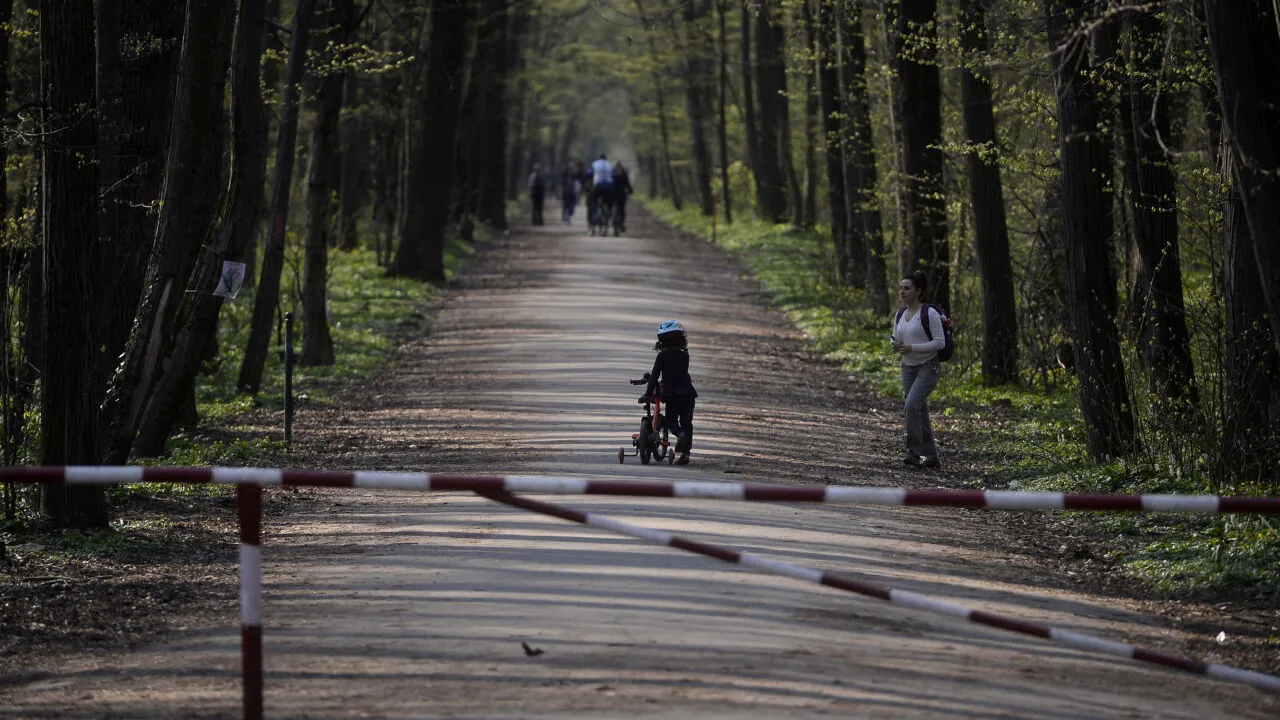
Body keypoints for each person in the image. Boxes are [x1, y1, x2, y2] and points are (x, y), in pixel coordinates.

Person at [891, 271, 945, 468]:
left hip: (928, 366)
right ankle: (931, 456)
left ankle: (913, 450)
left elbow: (939, 343)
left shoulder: (929, 313)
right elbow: (895, 337)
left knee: (911, 405)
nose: (902, 292)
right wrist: (895, 345)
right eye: (901, 288)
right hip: (907, 367)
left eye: (907, 288)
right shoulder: (900, 313)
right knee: (918, 408)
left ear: (919, 291)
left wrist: (912, 348)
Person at [642, 320, 698, 465]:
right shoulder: (685, 355)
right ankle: (685, 455)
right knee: (687, 423)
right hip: (688, 395)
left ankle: (679, 434)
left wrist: (648, 393)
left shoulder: (662, 356)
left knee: (670, 421)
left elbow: (654, 377)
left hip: (673, 396)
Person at [588, 154, 614, 228]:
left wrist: (584, 182)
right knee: (609, 200)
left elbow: (588, 174)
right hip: (608, 186)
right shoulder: (610, 164)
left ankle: (595, 215)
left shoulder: (594, 164)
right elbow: (613, 175)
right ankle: (608, 211)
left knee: (594, 200)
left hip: (598, 186)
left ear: (599, 159)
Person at [611, 161, 634, 233]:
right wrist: (631, 191)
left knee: (611, 206)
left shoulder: (611, 172)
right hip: (621, 193)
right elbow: (627, 183)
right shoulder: (623, 173)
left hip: (612, 193)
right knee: (622, 209)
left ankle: (608, 219)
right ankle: (621, 224)